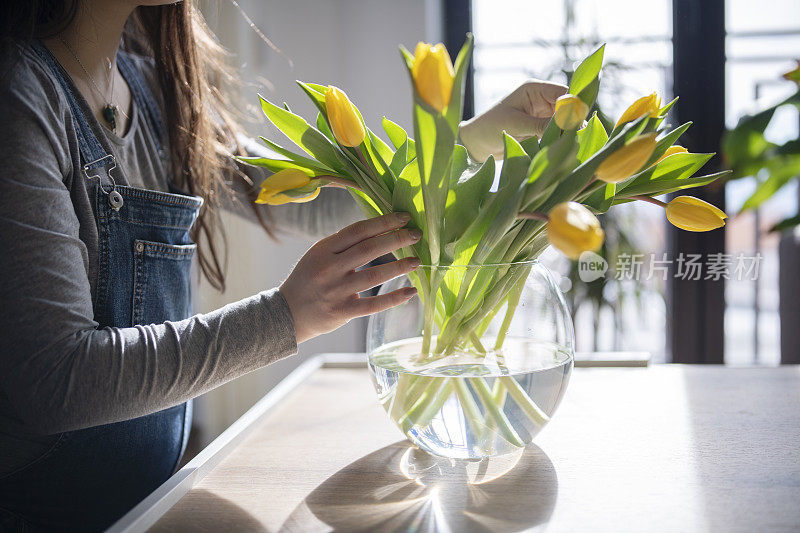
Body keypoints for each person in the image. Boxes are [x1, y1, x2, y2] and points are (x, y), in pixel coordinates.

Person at [0, 0, 566, 529]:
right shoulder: (22, 95)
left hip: (155, 500)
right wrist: (284, 317)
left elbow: (318, 194)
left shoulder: (151, 88)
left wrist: (477, 136)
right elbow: (54, 381)